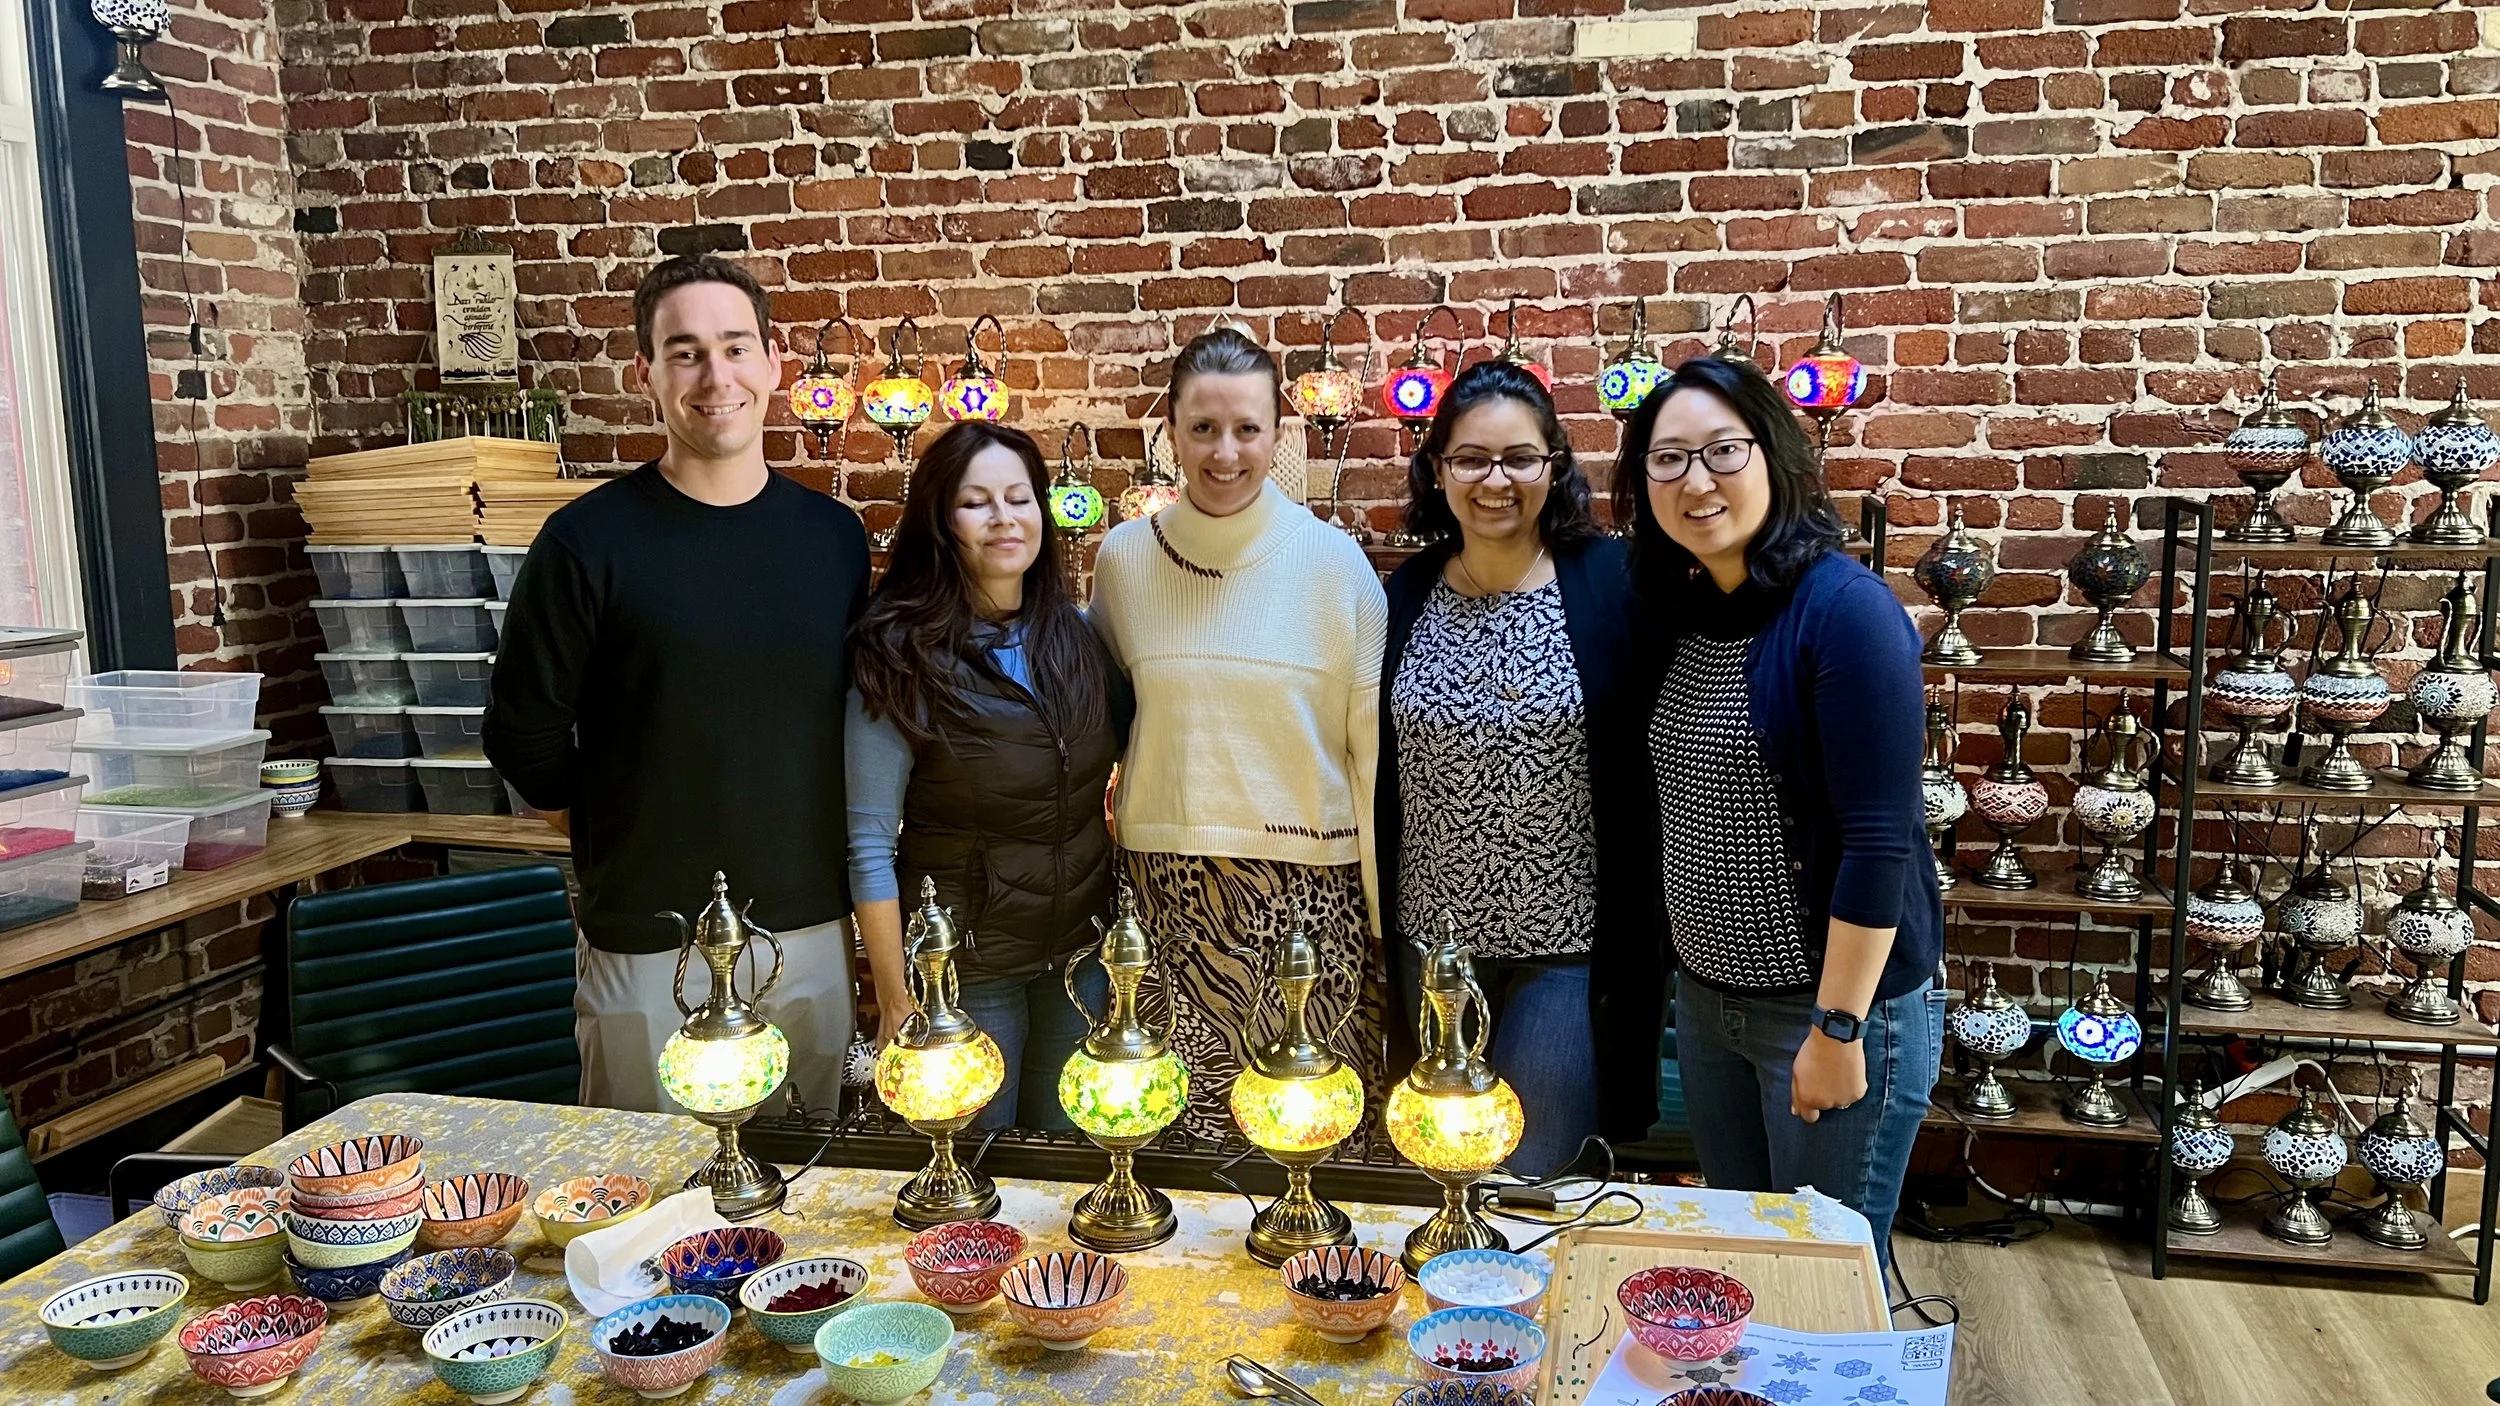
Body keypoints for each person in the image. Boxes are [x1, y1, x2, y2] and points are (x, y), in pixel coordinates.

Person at [485, 254, 871, 1116]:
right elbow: (522, 732)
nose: (716, 375)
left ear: (775, 365)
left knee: (802, 1196)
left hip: (807, 931)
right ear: (647, 376)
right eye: (686, 351)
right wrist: (621, 825)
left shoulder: (833, 539)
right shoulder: (586, 541)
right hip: (648, 940)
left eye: (736, 347)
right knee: (640, 1207)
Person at [1611, 355, 1943, 1257]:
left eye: (1722, 450)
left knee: (1825, 1278)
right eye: (1668, 459)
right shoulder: (1685, 611)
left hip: (1826, 1010)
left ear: (1776, 456)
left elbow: (1880, 843)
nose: (1697, 480)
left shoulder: (1845, 613)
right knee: (1746, 1267)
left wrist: (1838, 1027)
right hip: (1710, 1004)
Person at [1089, 327, 1389, 1141]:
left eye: (1248, 429)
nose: (1225, 453)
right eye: (1203, 429)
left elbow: (1368, 759)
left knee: (1315, 1138)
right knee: (1177, 1143)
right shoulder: (1122, 561)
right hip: (1167, 896)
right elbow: (1105, 726)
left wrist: (1375, 917)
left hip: (1310, 899)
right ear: (1171, 435)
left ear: (1278, 436)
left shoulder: (1336, 567)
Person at [1378, 360, 1658, 1178]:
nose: (1495, 480)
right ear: (1438, 470)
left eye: (1520, 458)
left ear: (1555, 465)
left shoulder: (1613, 584)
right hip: (1433, 951)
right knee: (1442, 1178)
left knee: (1534, 1183)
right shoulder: (1408, 593)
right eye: (1470, 458)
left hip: (1566, 952)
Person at [845, 420, 1129, 1132]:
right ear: (942, 521)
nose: (1005, 518)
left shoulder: (1079, 634)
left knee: (1067, 1170)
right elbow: (869, 844)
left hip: (1077, 959)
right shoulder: (899, 653)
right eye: (977, 502)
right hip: (966, 970)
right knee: (974, 1174)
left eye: (1020, 497)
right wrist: (896, 1000)